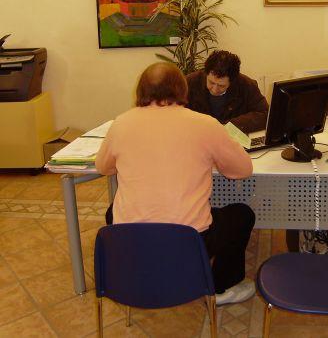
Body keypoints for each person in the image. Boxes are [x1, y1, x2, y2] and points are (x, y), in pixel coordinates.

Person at [96, 62, 256, 305]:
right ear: (183, 89)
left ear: (141, 90)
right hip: (190, 243)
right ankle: (220, 288)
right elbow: (243, 170)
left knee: (114, 212)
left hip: (132, 241)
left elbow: (103, 167)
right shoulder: (205, 124)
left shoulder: (121, 123)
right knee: (241, 215)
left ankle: (142, 275)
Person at [186, 50, 268, 134]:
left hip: (232, 138)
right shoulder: (189, 83)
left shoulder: (246, 85)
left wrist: (231, 126)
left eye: (221, 86)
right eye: (211, 82)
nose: (214, 89)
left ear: (232, 81)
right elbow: (178, 113)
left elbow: (264, 115)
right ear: (206, 73)